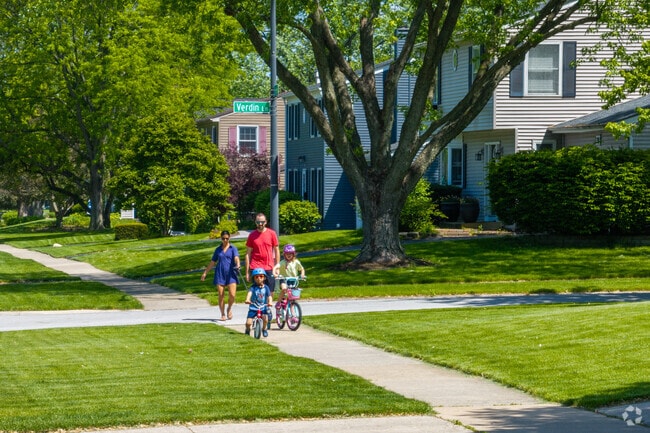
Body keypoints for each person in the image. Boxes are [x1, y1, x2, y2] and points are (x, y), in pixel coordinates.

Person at [201, 230, 240, 321]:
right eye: (223, 238)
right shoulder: (218, 250)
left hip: (231, 274)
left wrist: (237, 264)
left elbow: (236, 258)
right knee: (221, 294)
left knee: (232, 295)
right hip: (220, 274)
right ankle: (222, 314)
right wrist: (205, 272)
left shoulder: (233, 248)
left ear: (229, 237)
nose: (225, 240)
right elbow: (212, 262)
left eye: (227, 238)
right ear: (221, 238)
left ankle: (229, 308)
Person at [245, 213, 280, 295]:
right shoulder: (252, 235)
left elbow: (276, 250)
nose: (260, 224)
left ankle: (268, 307)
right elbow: (248, 254)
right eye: (258, 222)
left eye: (262, 222)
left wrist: (277, 266)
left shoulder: (272, 233)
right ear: (255, 222)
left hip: (269, 266)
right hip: (256, 266)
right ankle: (258, 307)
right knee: (257, 291)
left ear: (266, 222)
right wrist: (247, 272)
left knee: (270, 292)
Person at [244, 268, 273, 337]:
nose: (259, 278)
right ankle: (247, 329)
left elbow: (269, 296)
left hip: (263, 307)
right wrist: (247, 299)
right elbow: (249, 293)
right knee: (248, 323)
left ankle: (264, 328)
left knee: (265, 319)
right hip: (254, 307)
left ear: (264, 278)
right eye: (256, 277)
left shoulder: (266, 287)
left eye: (261, 276)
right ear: (254, 278)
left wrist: (270, 302)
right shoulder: (253, 287)